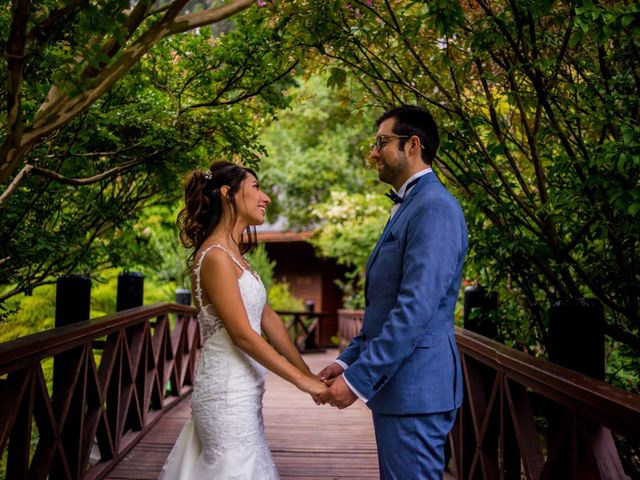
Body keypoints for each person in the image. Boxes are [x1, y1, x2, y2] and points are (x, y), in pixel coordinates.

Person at [317, 105, 467, 479]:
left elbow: (414, 309)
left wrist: (356, 381)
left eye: (381, 142)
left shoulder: (434, 207)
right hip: (403, 390)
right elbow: (384, 307)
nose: (373, 153)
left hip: (416, 390)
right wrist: (349, 360)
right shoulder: (411, 204)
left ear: (412, 145)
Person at [160, 161, 326, 479]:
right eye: (255, 187)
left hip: (244, 391)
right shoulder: (216, 257)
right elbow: (242, 334)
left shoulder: (237, 256)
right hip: (225, 393)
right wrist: (299, 382)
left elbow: (268, 318)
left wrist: (308, 372)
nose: (266, 197)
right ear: (228, 194)